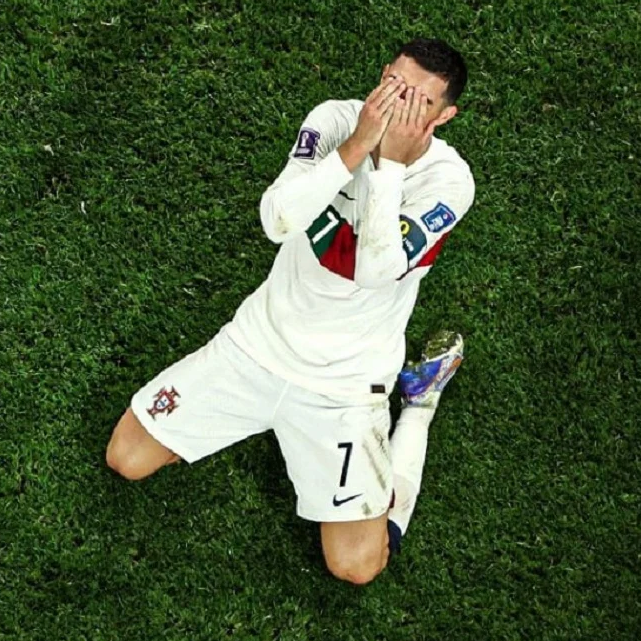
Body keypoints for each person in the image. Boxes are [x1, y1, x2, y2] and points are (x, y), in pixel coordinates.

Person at [106, 37, 474, 585]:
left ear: (444, 117)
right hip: (256, 346)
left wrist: (389, 166)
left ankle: (419, 404)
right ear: (380, 76)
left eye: (418, 101)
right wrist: (358, 146)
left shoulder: (449, 183)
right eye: (393, 86)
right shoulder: (335, 120)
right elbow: (277, 219)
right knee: (127, 458)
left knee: (356, 567)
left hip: (346, 388)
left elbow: (374, 270)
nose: (397, 106)